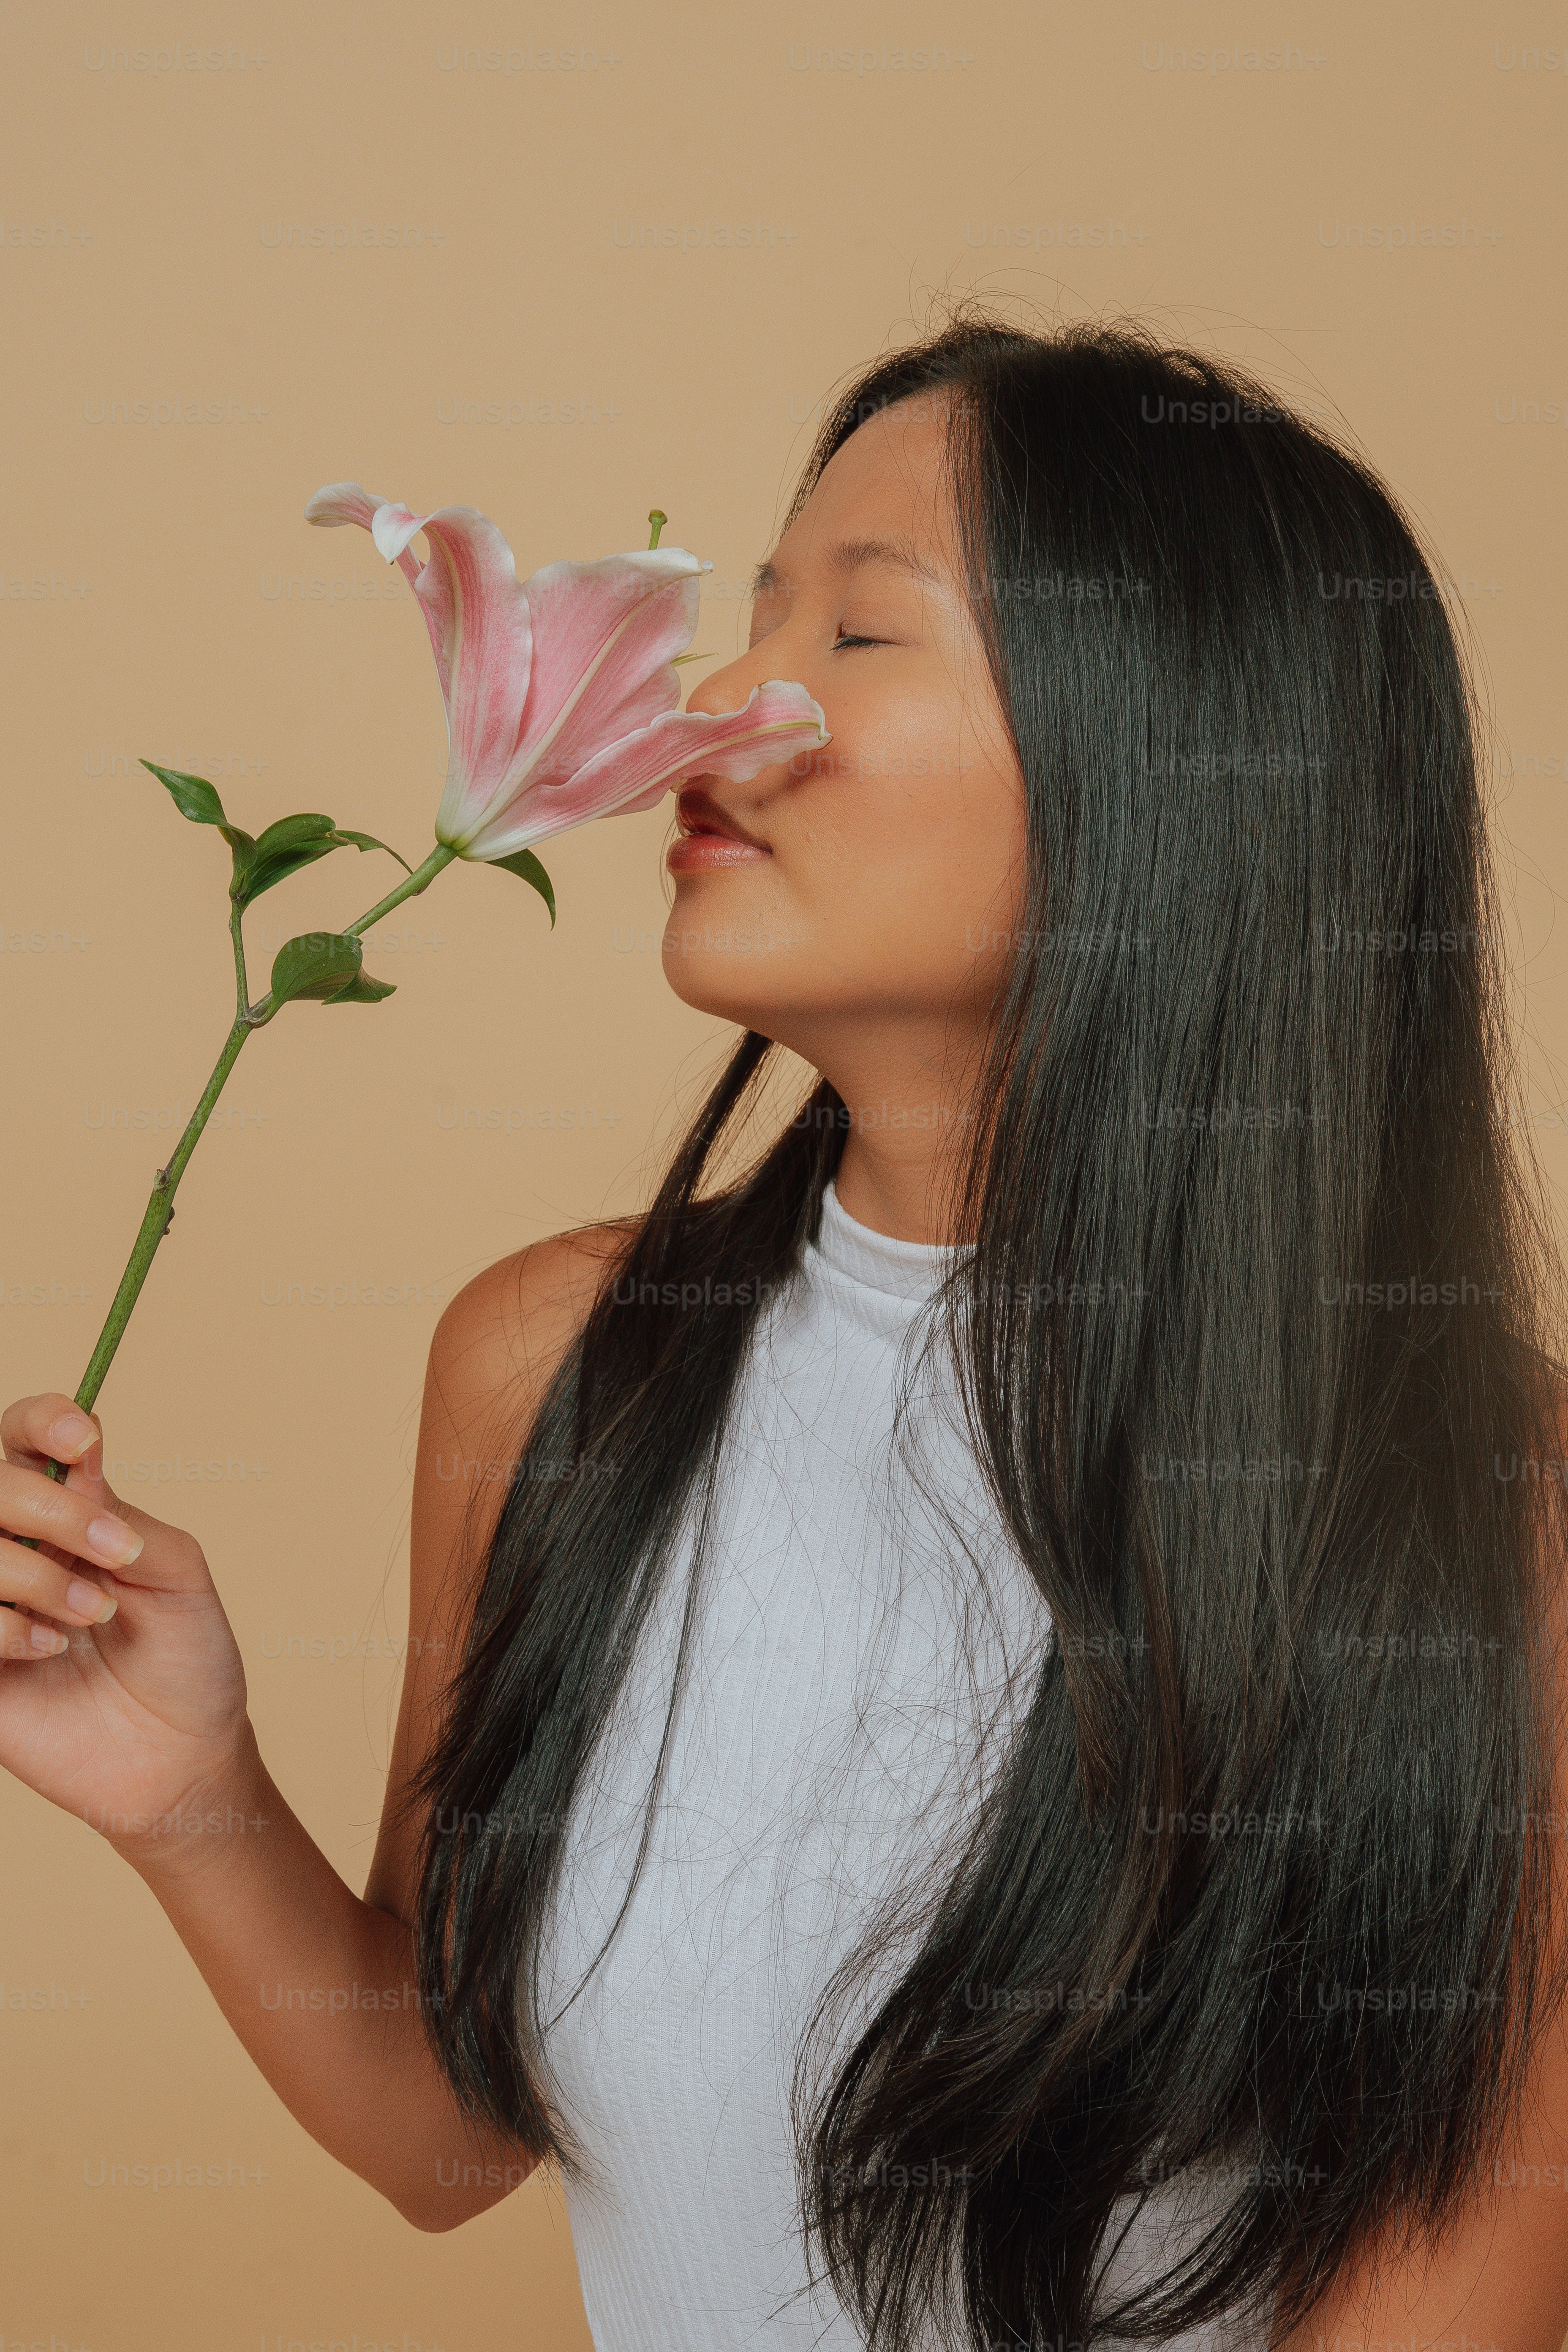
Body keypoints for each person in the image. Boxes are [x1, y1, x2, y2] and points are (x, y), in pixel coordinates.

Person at [6, 308, 1568, 2352]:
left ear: (1174, 766)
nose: (714, 700)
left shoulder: (1494, 1534)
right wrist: (191, 1798)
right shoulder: (553, 1368)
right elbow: (449, 2134)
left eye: (856, 633)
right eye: (755, 610)